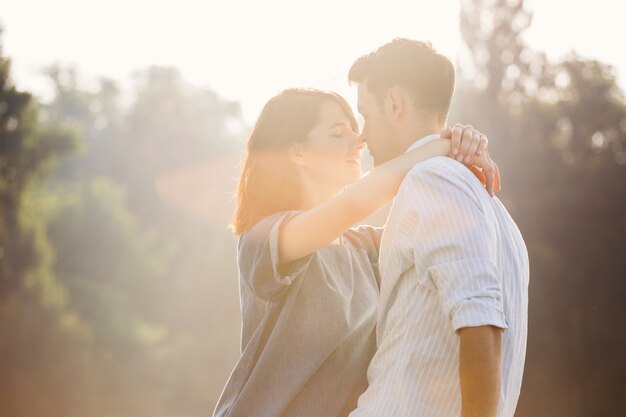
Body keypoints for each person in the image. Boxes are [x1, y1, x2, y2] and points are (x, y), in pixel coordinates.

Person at [213, 87, 498, 417]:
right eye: (338, 133)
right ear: (298, 153)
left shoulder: (362, 248)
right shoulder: (263, 240)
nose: (359, 139)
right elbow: (355, 203)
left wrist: (465, 143)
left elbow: (439, 233)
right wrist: (440, 146)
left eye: (355, 127)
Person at [347, 39, 529, 417]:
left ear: (394, 103)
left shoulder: (431, 179)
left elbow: (481, 321)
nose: (363, 135)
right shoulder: (496, 211)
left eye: (366, 114)